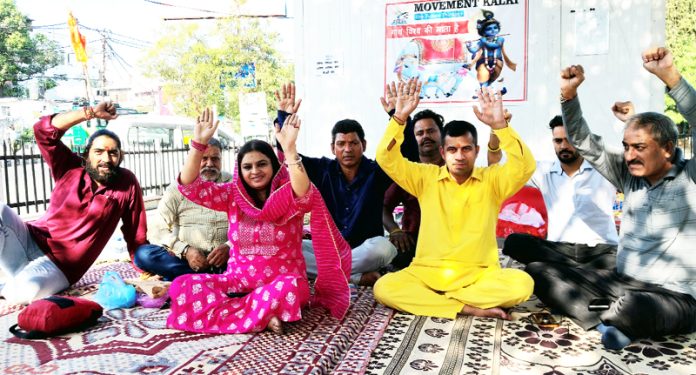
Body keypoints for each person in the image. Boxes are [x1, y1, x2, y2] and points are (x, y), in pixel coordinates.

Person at [527, 47, 696, 350]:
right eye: (626, 146)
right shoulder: (628, 174)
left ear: (668, 149)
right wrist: (568, 96)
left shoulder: (691, 177)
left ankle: (618, 316)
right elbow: (584, 142)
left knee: (638, 306)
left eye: (639, 148)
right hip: (621, 282)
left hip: (674, 295)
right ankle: (612, 319)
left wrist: (671, 77)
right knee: (539, 273)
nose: (629, 156)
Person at [167, 109, 351, 334]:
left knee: (293, 288)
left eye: (262, 164)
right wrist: (198, 145)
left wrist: (290, 149)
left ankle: (245, 312)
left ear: (273, 166)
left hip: (281, 286)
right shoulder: (232, 196)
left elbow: (304, 194)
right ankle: (263, 315)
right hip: (237, 283)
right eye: (247, 167)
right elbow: (190, 187)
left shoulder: (288, 196)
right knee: (182, 286)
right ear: (239, 170)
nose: (255, 171)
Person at [374, 79, 535, 320]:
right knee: (384, 288)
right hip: (427, 273)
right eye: (452, 149)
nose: (459, 156)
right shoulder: (425, 178)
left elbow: (524, 166)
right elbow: (386, 158)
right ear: (443, 152)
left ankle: (438, 302)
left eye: (466, 149)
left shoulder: (492, 180)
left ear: (476, 151)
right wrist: (398, 119)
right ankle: (466, 307)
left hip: (479, 275)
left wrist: (501, 126)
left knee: (522, 283)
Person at [0, 102, 148, 304]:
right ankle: (15, 280)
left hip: (60, 266)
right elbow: (42, 131)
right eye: (99, 152)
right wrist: (90, 113)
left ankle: (15, 283)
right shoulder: (69, 168)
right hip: (28, 240)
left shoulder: (126, 183)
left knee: (28, 289)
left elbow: (135, 234)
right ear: (86, 155)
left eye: (113, 153)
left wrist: (147, 272)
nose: (106, 158)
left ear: (120, 156)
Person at [275, 83, 397, 286]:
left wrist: (396, 115)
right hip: (327, 249)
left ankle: (334, 274)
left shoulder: (377, 172)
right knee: (285, 248)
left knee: (384, 248)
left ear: (363, 145)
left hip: (365, 250)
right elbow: (286, 154)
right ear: (333, 148)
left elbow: (407, 153)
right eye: (341, 144)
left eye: (353, 143)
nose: (347, 149)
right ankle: (354, 277)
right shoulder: (323, 170)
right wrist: (284, 116)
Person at [501, 115, 619, 269]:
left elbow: (640, 167)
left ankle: (570, 272)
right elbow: (498, 164)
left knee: (624, 259)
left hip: (601, 250)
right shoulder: (544, 171)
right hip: (559, 250)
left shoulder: (604, 169)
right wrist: (498, 128)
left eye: (569, 140)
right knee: (514, 242)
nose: (563, 146)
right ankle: (582, 273)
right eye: (558, 141)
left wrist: (630, 119)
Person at [134, 138, 232, 280]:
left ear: (221, 159)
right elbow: (156, 229)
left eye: (215, 159)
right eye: (204, 158)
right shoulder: (178, 188)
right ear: (193, 159)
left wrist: (229, 246)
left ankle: (196, 279)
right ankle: (208, 278)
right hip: (186, 262)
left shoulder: (233, 184)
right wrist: (186, 251)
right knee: (143, 254)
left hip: (229, 260)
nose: (210, 164)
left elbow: (249, 225)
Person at [382, 109, 445, 269]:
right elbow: (383, 207)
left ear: (442, 135)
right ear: (413, 138)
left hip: (450, 241)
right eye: (420, 133)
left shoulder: (455, 169)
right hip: (414, 240)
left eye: (431, 131)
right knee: (396, 261)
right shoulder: (408, 172)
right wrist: (395, 231)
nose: (426, 136)